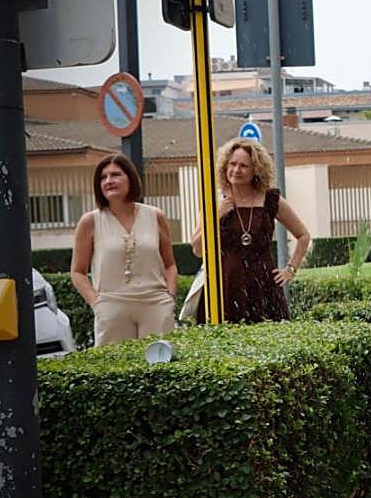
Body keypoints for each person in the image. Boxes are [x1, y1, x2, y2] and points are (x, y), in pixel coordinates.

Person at [189, 138, 311, 323]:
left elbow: (303, 235)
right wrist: (216, 216)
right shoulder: (214, 204)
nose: (236, 170)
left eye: (244, 166)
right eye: (232, 164)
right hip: (224, 287)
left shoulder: (271, 200)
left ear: (256, 170)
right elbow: (197, 249)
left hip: (263, 288)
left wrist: (290, 269)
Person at [70, 154, 178, 346]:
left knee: (161, 368)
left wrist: (169, 297)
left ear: (130, 178)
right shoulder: (90, 222)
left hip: (155, 304)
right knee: (114, 369)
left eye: (115, 175)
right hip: (111, 306)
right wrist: (97, 304)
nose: (109, 181)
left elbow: (170, 264)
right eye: (103, 177)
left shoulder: (155, 216)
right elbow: (78, 272)